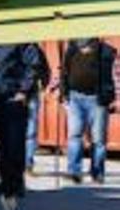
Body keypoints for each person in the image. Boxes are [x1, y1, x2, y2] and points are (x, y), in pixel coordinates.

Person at [0, 43, 43, 199]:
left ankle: (16, 185)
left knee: (15, 143)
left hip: (13, 96)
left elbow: (33, 66)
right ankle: (5, 182)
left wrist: (24, 91)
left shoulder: (23, 40)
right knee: (1, 143)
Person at [60, 36, 117, 184]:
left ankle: (97, 173)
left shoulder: (107, 51)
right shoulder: (72, 48)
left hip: (97, 99)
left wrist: (111, 97)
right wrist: (63, 93)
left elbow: (114, 75)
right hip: (75, 98)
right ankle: (74, 171)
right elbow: (64, 72)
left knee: (98, 140)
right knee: (74, 135)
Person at [26, 47, 53, 173]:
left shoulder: (35, 49)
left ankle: (28, 163)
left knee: (31, 131)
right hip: (13, 93)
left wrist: (44, 84)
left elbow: (45, 69)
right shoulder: (12, 48)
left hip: (30, 94)